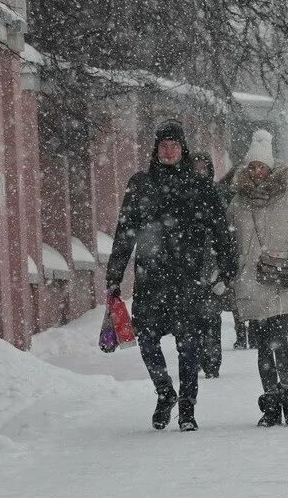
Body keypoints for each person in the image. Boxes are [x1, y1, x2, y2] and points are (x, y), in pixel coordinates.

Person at [105, 119, 237, 431]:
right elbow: (125, 233)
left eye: (174, 145)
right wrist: (114, 273)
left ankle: (188, 407)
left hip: (187, 279)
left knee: (189, 345)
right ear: (156, 149)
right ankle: (165, 393)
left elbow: (220, 229)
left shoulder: (200, 185)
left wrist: (227, 267)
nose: (168, 150)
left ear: (183, 149)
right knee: (148, 342)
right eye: (163, 145)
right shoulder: (141, 185)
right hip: (150, 279)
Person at [228, 129, 288, 426]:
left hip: (282, 279)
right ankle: (271, 404)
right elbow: (226, 243)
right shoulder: (237, 204)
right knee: (262, 343)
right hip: (251, 282)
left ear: (271, 168)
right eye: (252, 167)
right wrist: (222, 273)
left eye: (262, 167)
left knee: (277, 339)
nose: (257, 173)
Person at [192, 153, 229, 379]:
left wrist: (224, 270)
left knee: (211, 317)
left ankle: (212, 361)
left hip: (211, 264)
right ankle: (194, 357)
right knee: (192, 318)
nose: (199, 171)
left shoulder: (216, 194)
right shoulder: (183, 194)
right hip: (189, 266)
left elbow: (225, 234)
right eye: (195, 167)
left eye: (203, 167)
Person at [217, 164, 253, 351]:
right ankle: (244, 334)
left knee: (244, 293)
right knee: (237, 293)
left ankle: (247, 333)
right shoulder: (226, 193)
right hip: (232, 246)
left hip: (242, 246)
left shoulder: (244, 193)